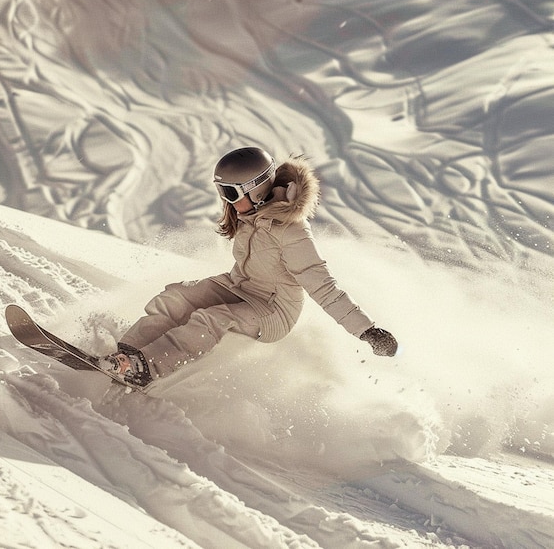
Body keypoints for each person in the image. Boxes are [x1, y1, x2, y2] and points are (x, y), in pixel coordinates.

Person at [99, 147, 398, 388]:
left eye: (230, 193)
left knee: (210, 318)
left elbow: (323, 286)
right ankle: (127, 355)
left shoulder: (292, 231)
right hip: (238, 287)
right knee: (176, 297)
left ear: (256, 190)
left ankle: (146, 368)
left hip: (273, 311)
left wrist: (367, 331)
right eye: (222, 191)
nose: (225, 201)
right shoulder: (251, 215)